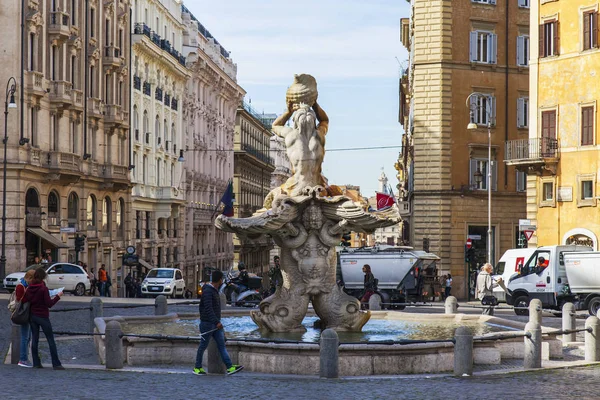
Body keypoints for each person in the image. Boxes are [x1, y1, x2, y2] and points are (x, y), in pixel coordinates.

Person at [193, 270, 243, 376]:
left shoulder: (213, 290)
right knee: (203, 346)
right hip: (208, 324)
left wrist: (217, 322)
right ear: (220, 280)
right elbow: (208, 308)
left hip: (216, 324)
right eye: (222, 279)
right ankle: (197, 368)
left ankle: (230, 367)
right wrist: (216, 322)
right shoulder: (207, 291)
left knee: (221, 345)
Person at [23, 267, 64, 370]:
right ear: (42, 277)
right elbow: (49, 304)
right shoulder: (43, 288)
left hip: (33, 316)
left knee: (35, 339)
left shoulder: (30, 288)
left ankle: (36, 363)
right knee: (50, 339)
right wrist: (58, 296)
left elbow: (26, 300)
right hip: (43, 316)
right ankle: (56, 363)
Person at [14, 270, 36, 367]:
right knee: (25, 336)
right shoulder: (21, 286)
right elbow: (20, 300)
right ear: (29, 278)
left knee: (28, 337)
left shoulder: (27, 286)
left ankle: (25, 357)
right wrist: (29, 293)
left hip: (29, 313)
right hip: (23, 313)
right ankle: (23, 359)